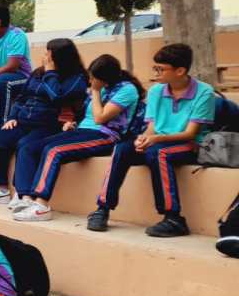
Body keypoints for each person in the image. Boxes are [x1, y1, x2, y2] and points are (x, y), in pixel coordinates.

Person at [0, 54, 140, 222]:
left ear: (105, 78)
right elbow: (86, 115)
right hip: (82, 131)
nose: (90, 81)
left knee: (54, 151)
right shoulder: (101, 86)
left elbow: (99, 118)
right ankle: (25, 197)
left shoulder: (126, 89)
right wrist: (73, 123)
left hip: (105, 136)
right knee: (31, 147)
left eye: (94, 78)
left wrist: (95, 91)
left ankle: (41, 206)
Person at [89, 43, 215, 237]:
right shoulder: (156, 91)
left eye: (161, 69)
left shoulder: (204, 92)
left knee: (159, 153)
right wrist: (144, 139)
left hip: (188, 145)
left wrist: (155, 139)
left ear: (180, 71)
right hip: (157, 141)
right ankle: (102, 208)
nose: (156, 73)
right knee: (122, 149)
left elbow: (191, 133)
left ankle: (173, 218)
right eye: (155, 68)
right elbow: (151, 127)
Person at [0, 38, 88, 213]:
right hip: (23, 121)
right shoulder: (37, 73)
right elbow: (22, 98)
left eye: (48, 53)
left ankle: (23, 194)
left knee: (25, 145)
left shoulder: (76, 78)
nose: (45, 57)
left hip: (49, 125)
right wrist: (12, 117)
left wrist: (51, 73)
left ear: (60, 57)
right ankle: (0, 191)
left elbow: (56, 97)